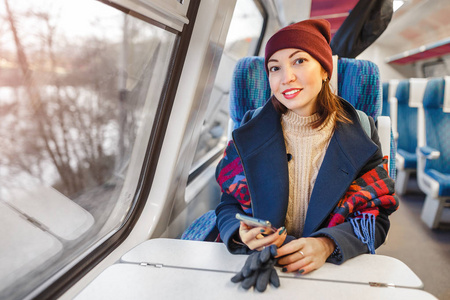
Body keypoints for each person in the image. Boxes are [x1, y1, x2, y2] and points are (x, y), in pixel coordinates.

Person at [215, 19, 398, 275]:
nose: (286, 78)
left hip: (329, 268)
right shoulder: (249, 128)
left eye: (299, 61)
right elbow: (227, 204)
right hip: (261, 263)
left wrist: (327, 244)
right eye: (274, 68)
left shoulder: (361, 131)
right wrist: (239, 233)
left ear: (324, 70)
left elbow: (375, 218)